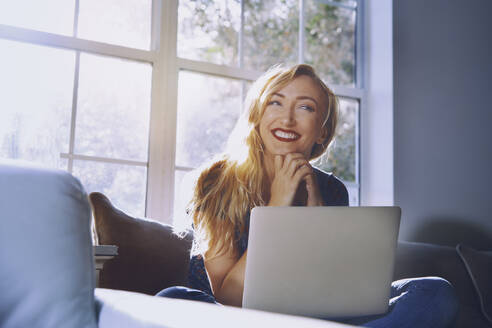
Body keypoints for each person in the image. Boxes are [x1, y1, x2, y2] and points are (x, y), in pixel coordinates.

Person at [157, 64, 458, 327]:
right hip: (237, 320)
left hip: (312, 320)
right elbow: (231, 297)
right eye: (275, 103)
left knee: (434, 292)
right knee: (173, 298)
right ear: (258, 115)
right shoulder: (217, 181)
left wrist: (316, 213)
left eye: (305, 108)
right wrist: (277, 206)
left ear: (322, 132)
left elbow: (336, 296)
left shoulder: (331, 189)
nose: (287, 120)